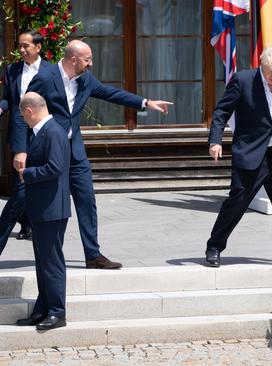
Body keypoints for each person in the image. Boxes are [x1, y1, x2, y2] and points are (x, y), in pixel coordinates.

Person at [17, 40, 173, 269]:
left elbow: (111, 93)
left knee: (87, 200)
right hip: (50, 151)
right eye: (87, 59)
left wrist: (145, 102)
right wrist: (21, 149)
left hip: (76, 153)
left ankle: (93, 255)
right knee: (20, 201)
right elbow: (24, 110)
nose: (91, 63)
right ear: (74, 60)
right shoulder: (45, 76)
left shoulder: (85, 79)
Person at [206, 45, 272, 268]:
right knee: (237, 203)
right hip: (250, 153)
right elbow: (221, 112)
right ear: (261, 66)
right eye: (270, 72)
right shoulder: (243, 80)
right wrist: (215, 141)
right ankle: (214, 246)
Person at [14, 92, 70, 330]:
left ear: (29, 111)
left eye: (22, 116)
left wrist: (27, 174)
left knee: (51, 262)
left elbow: (55, 167)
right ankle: (43, 309)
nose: (24, 121)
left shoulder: (53, 132)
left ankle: (57, 311)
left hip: (51, 209)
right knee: (43, 262)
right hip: (43, 208)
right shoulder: (44, 131)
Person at [0, 30, 54, 255]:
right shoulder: (12, 70)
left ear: (38, 47)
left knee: (22, 189)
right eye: (19, 46)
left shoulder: (52, 71)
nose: (22, 50)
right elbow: (8, 98)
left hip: (41, 136)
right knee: (18, 184)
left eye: (26, 46)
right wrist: (1, 106)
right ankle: (28, 223)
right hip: (18, 134)